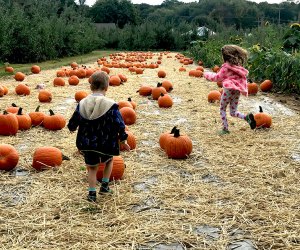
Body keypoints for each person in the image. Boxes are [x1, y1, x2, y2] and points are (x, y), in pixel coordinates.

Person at [68, 71, 130, 202]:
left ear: (91, 87)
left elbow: (75, 119)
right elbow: (119, 123)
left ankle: (91, 193)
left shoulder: (83, 103)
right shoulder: (110, 105)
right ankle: (105, 186)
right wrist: (123, 139)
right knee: (109, 161)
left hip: (87, 143)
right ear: (107, 88)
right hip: (106, 142)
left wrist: (71, 127)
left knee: (92, 167)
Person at [204, 44, 256, 135]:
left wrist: (206, 74)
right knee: (233, 112)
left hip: (228, 90)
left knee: (222, 109)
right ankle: (246, 117)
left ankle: (225, 129)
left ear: (225, 56)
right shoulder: (238, 67)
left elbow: (217, 78)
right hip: (237, 91)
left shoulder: (225, 68)